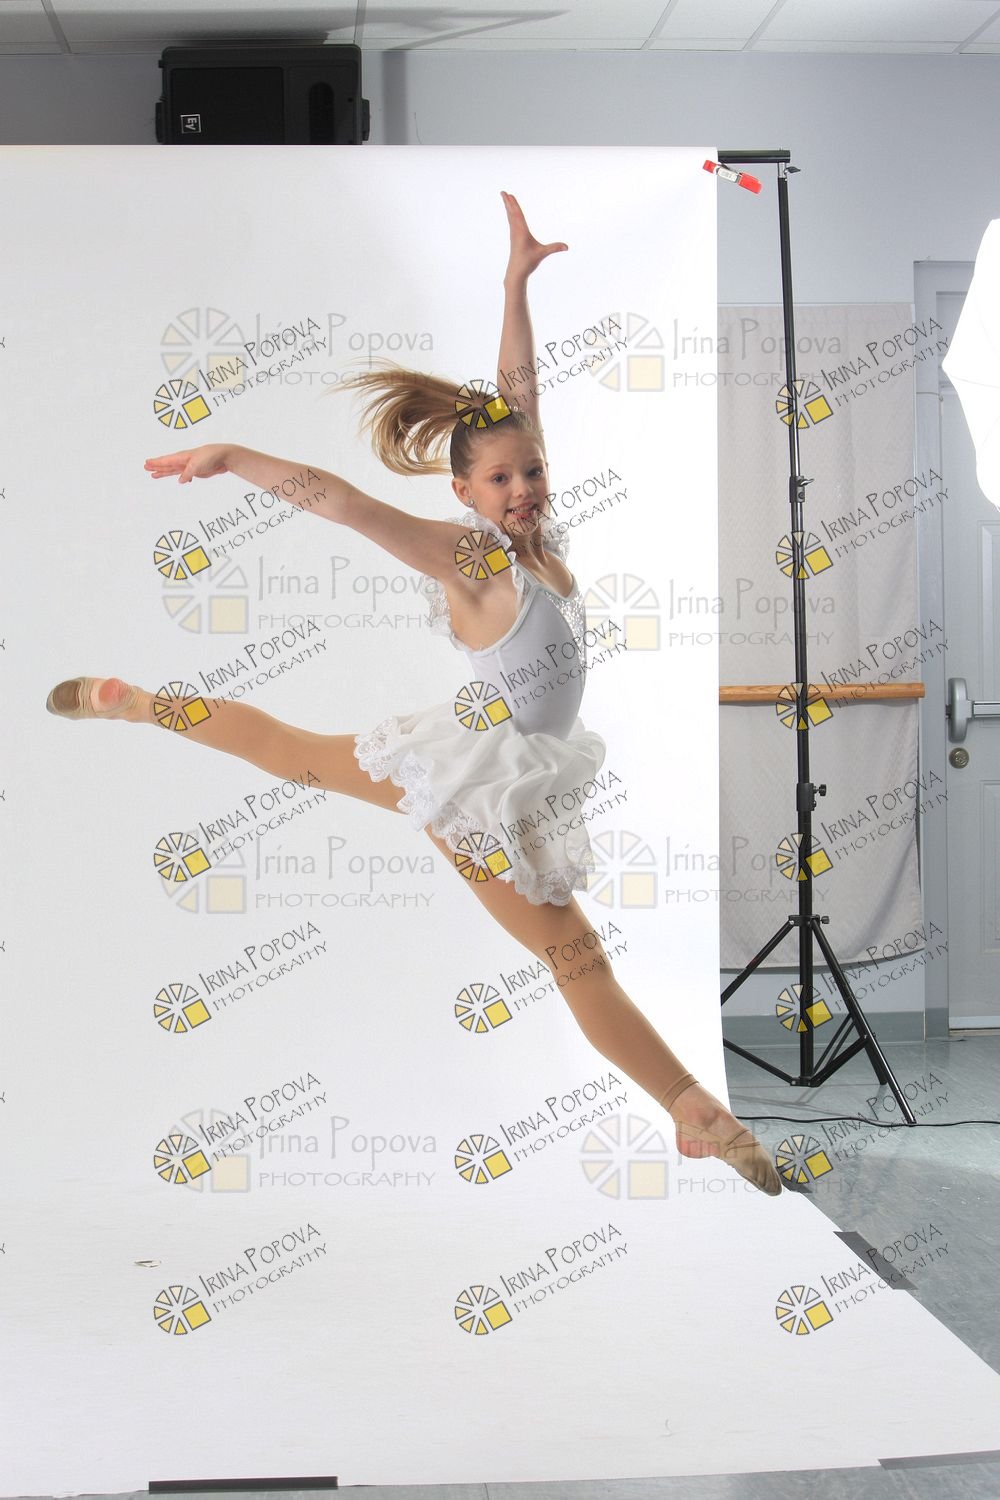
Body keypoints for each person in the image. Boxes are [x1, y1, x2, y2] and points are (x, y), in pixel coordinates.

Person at [45, 191, 781, 1196]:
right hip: (479, 783)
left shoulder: (536, 540)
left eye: (531, 471)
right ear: (462, 495)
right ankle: (695, 1111)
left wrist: (515, 285)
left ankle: (135, 704)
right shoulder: (473, 557)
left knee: (296, 755)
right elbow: (347, 505)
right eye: (501, 480)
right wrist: (234, 458)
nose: (523, 487)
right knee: (575, 959)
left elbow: (517, 399)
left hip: (502, 764)